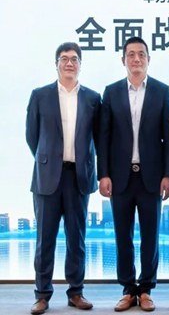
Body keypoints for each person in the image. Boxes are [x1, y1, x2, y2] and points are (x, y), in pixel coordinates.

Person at [97, 36, 169, 312]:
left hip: (151, 176)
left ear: (148, 59)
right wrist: (103, 174)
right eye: (131, 54)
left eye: (141, 54)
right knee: (123, 236)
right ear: (123, 60)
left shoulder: (161, 91)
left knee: (150, 237)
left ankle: (146, 289)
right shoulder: (111, 92)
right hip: (120, 177)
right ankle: (128, 289)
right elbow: (104, 137)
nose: (136, 59)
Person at [26, 42, 100, 315]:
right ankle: (42, 294)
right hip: (47, 178)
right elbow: (32, 136)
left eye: (74, 59)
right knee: (44, 239)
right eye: (64, 58)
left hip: (78, 177)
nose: (70, 63)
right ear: (56, 64)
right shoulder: (40, 96)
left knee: (76, 239)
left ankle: (76, 292)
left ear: (80, 65)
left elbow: (98, 137)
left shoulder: (93, 98)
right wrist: (48, 160)